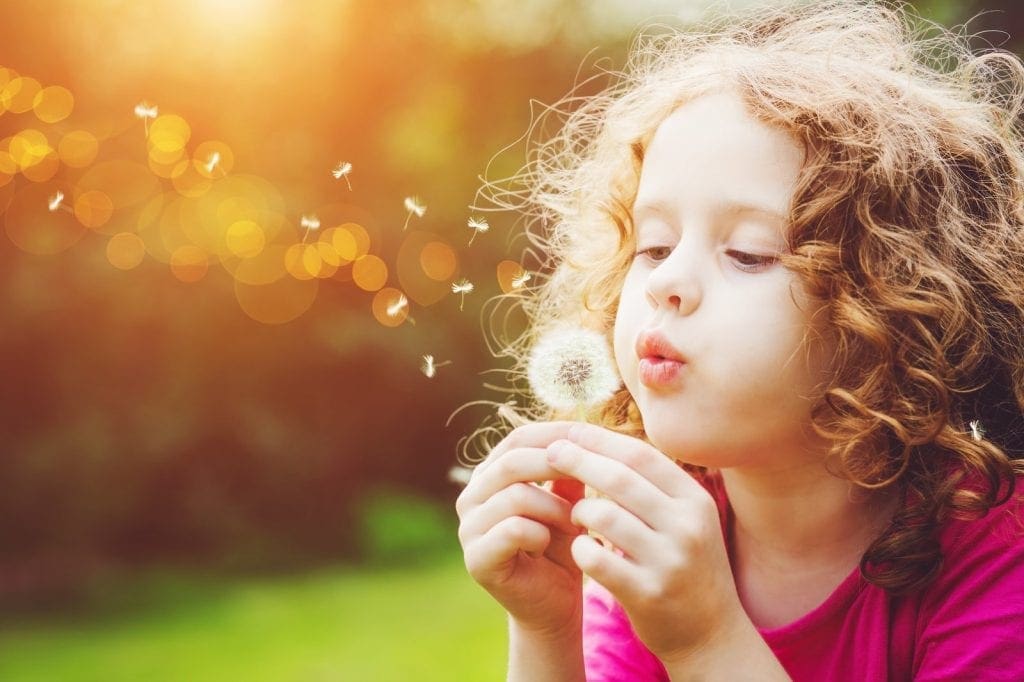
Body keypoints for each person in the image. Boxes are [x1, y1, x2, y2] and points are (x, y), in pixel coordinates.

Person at [454, 1, 1024, 679]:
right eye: (654, 244)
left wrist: (705, 639)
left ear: (894, 311)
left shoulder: (998, 555)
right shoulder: (650, 538)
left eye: (749, 254)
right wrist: (547, 624)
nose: (670, 282)